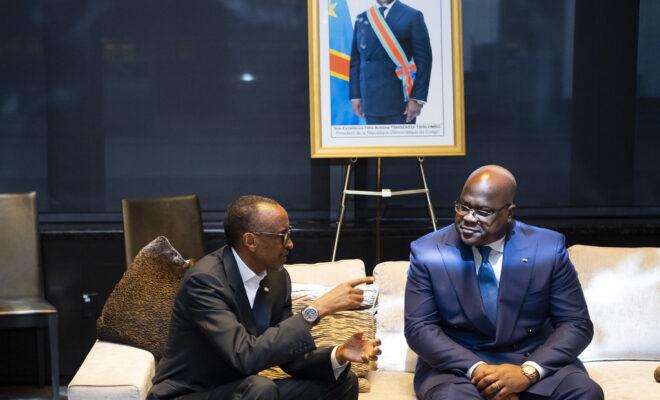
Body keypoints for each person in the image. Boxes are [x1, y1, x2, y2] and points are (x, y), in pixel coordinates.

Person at [148, 195, 381, 400]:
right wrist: (316, 310)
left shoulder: (277, 279)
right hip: (189, 393)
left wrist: (338, 354)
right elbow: (244, 357)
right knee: (259, 388)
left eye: (289, 233)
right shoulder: (205, 281)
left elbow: (290, 357)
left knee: (341, 383)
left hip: (241, 391)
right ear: (251, 241)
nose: (290, 243)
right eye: (282, 235)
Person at [404, 165, 603, 400]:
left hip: (531, 358)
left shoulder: (547, 248)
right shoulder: (428, 251)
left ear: (509, 213)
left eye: (483, 211)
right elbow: (419, 328)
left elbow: (576, 324)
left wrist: (528, 372)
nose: (468, 218)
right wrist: (480, 370)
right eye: (463, 206)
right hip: (459, 368)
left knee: (586, 393)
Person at [349, 0, 432, 124]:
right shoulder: (362, 18)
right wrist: (355, 96)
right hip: (370, 100)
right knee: (375, 143)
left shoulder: (413, 16)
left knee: (402, 143)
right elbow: (356, 61)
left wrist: (417, 98)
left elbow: (424, 61)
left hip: (401, 102)